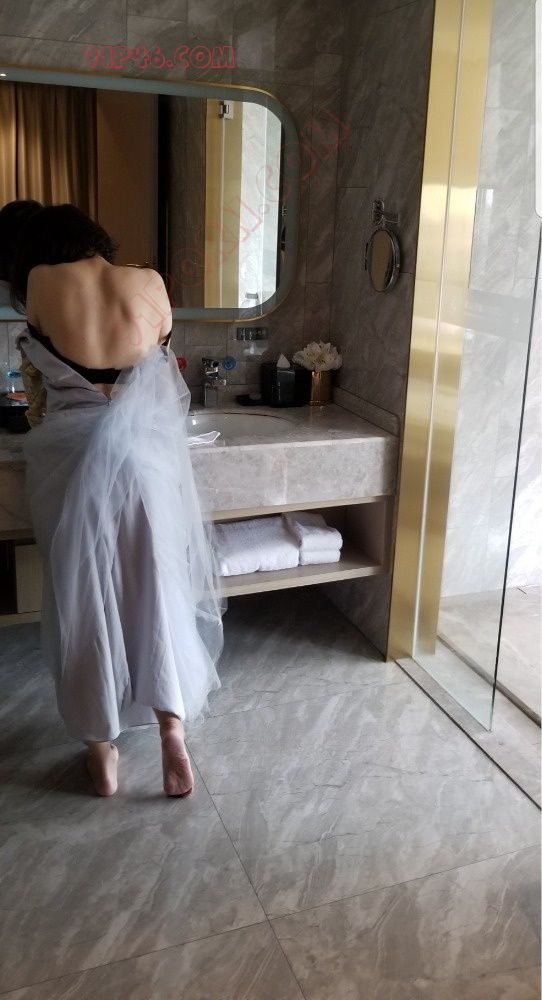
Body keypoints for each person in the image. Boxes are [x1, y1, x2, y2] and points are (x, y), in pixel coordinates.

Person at [11, 204, 225, 797]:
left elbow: (42, 380)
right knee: (156, 589)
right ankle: (171, 728)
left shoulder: (41, 282)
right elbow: (156, 372)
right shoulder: (149, 281)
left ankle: (101, 748)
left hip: (71, 460)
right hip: (146, 462)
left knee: (84, 598)